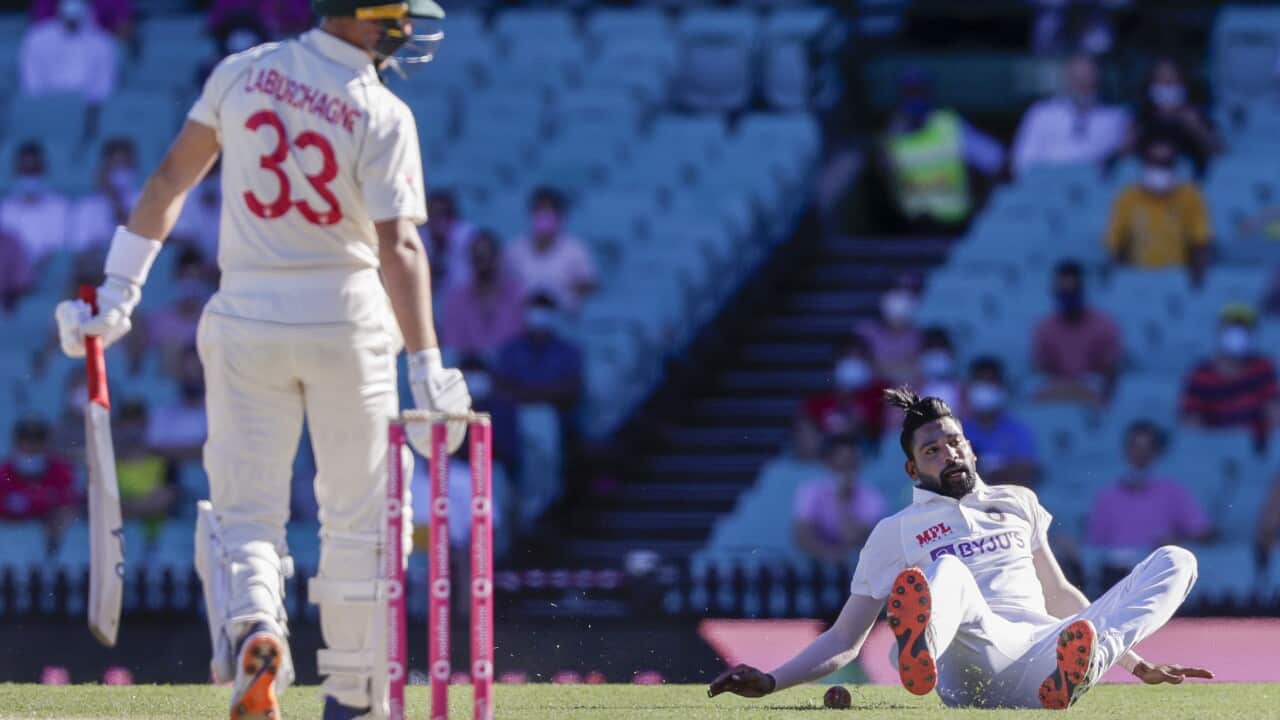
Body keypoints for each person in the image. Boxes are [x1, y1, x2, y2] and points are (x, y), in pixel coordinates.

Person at [52, 3, 472, 719]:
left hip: (247, 315)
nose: (399, 30)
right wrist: (429, 364)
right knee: (360, 519)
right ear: (355, 19)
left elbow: (168, 182)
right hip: (346, 318)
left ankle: (256, 629)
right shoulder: (381, 110)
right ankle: (351, 695)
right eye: (390, 16)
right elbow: (400, 247)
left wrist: (119, 292)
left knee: (246, 514)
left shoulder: (243, 73)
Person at [708, 388, 1214, 710]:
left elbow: (1060, 593)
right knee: (949, 571)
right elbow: (845, 636)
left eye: (953, 442)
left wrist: (1136, 662)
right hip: (972, 663)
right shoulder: (897, 530)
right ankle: (920, 649)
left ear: (970, 447)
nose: (947, 453)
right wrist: (772, 681)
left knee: (1178, 560)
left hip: (1046, 659)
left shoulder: (1018, 501)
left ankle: (1087, 664)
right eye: (932, 450)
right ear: (913, 470)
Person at [1088, 421, 1212, 592]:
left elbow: (1203, 533)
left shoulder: (1174, 492)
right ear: (1126, 451)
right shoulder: (1107, 496)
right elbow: (1095, 546)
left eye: (1146, 449)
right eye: (1135, 448)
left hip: (1159, 577)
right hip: (1115, 578)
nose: (1140, 455)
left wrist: (1177, 541)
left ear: (1156, 453)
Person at [877, 66, 1004, 230]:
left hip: (955, 225)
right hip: (913, 228)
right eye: (910, 92)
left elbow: (995, 159)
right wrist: (889, 141)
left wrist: (987, 210)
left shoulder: (950, 125)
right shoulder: (895, 133)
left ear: (930, 93)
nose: (915, 98)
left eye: (920, 91)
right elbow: (883, 175)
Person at [1105, 133, 1212, 285]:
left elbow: (1200, 242)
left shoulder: (1191, 196)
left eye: (1166, 164)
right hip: (1137, 278)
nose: (1160, 170)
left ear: (1175, 166)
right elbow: (1116, 245)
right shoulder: (1127, 197)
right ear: (1145, 165)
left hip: (1178, 277)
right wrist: (1121, 283)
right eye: (1154, 163)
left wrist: (1196, 283)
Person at [1011, 54, 1129, 176]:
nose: (1082, 84)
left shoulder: (1116, 117)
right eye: (1077, 77)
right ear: (1067, 78)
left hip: (1095, 186)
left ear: (1099, 78)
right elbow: (1022, 161)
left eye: (1088, 77)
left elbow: (1118, 162)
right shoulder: (1041, 113)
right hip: (1046, 184)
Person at [1179, 304, 1279, 447]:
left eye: (1244, 330)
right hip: (1214, 449)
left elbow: (1273, 411)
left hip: (1256, 449)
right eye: (1231, 328)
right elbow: (1191, 421)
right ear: (1219, 332)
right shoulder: (1200, 374)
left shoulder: (1263, 367)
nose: (1237, 335)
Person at [1032, 260, 1123, 406]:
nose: (1068, 295)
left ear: (1082, 290)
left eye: (1073, 290)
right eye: (1063, 290)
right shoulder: (1044, 329)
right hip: (1056, 393)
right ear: (1055, 292)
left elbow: (1110, 373)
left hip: (1093, 393)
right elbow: (1042, 372)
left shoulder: (1105, 326)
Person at [791, 433, 886, 563]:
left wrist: (842, 499)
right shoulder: (810, 491)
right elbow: (801, 536)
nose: (846, 471)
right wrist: (829, 555)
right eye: (841, 465)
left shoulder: (873, 496)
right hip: (818, 563)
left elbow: (854, 537)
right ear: (829, 464)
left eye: (851, 464)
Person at [504, 186, 598, 312]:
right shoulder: (514, 249)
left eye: (551, 212)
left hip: (563, 317)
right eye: (541, 211)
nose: (545, 217)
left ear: (560, 216)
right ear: (532, 214)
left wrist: (575, 287)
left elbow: (591, 284)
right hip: (522, 318)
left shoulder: (576, 249)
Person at [1123, 57, 1221, 179]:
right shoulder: (1140, 116)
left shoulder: (1196, 115)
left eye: (1172, 80)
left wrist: (1196, 128)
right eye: (1161, 80)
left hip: (1188, 185)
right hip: (1144, 185)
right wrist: (1133, 133)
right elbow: (1124, 156)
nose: (1167, 85)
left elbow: (1218, 153)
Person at [440, 228, 526, 359]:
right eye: (478, 258)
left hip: (511, 373)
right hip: (469, 372)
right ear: (471, 260)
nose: (483, 263)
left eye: (487, 256)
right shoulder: (456, 300)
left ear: (497, 258)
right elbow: (453, 348)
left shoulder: (518, 296)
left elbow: (524, 343)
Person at [494, 292, 584, 414]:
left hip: (557, 413)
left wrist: (541, 396)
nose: (539, 317)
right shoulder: (510, 350)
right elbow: (501, 386)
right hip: (517, 413)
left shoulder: (568, 351)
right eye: (535, 311)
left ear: (553, 315)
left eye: (544, 312)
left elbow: (572, 388)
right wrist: (529, 396)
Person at [19, 0, 119, 104]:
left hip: (89, 108)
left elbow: (104, 85)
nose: (71, 23)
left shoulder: (103, 43)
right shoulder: (36, 39)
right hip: (46, 107)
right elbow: (31, 82)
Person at [961, 357, 1040, 488]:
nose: (985, 389)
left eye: (990, 382)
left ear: (1002, 388)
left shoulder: (1019, 432)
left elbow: (1026, 472)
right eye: (980, 383)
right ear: (969, 389)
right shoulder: (956, 430)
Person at [0, 418, 78, 550]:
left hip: (53, 552)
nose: (32, 446)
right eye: (26, 441)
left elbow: (70, 508)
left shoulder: (61, 471)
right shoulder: (4, 472)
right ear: (16, 442)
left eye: (37, 441)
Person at [802, 334, 890, 445]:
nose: (852, 365)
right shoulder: (817, 402)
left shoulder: (879, 395)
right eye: (847, 358)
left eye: (858, 359)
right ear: (836, 363)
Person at [0, 142, 71, 264]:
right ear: (15, 171)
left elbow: (60, 249)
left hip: (51, 272)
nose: (29, 176)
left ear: (44, 169)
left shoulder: (61, 206)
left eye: (34, 170)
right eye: (24, 170)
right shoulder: (5, 208)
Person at [68, 138, 142, 254]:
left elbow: (140, 242)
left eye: (125, 164)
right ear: (104, 169)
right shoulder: (86, 207)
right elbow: (79, 251)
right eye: (115, 165)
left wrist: (116, 201)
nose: (120, 171)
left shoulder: (145, 201)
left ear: (134, 167)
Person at [855, 280, 923, 386]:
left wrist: (884, 368)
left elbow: (917, 369)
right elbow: (864, 366)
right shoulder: (866, 330)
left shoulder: (916, 335)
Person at [422, 189, 477, 290]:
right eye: (433, 215)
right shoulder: (421, 235)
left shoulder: (466, 234)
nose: (438, 221)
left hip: (462, 296)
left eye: (442, 214)